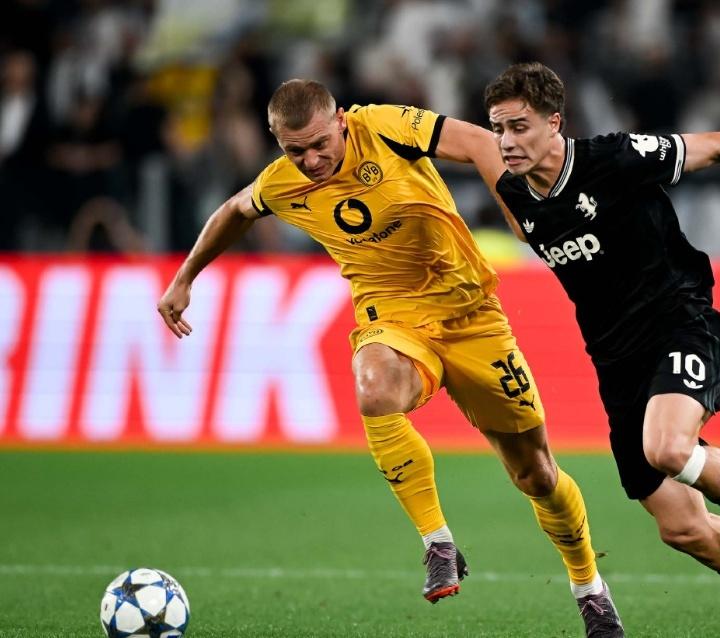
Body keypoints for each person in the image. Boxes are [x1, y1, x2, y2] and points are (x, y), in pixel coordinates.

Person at [157, 79, 624, 637]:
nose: (311, 161)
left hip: (472, 316)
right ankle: (438, 543)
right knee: (374, 388)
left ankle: (589, 589)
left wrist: (522, 214)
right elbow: (236, 209)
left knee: (536, 473)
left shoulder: (386, 126)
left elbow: (480, 142)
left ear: (341, 121)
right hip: (394, 319)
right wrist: (185, 277)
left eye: (319, 144)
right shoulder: (281, 182)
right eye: (295, 150)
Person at [484, 62, 720, 638]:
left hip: (682, 326)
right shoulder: (516, 195)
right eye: (497, 129)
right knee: (683, 529)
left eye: (519, 126)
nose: (506, 141)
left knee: (668, 448)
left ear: (554, 122)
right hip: (617, 366)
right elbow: (509, 200)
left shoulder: (614, 158)